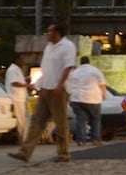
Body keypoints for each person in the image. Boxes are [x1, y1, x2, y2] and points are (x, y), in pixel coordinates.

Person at [8, 23, 77, 164]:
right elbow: (46, 70)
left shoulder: (67, 46)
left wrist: (60, 85)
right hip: (45, 88)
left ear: (57, 32)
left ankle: (64, 152)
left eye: (49, 31)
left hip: (58, 89)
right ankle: (25, 151)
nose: (47, 33)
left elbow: (68, 67)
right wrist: (36, 84)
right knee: (36, 121)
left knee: (60, 122)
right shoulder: (49, 47)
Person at [67, 55, 107, 146]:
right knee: (95, 119)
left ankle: (81, 140)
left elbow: (69, 85)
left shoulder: (75, 72)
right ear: (89, 62)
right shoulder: (95, 70)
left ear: (80, 63)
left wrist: (69, 97)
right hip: (93, 98)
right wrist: (104, 94)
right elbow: (102, 84)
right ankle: (96, 139)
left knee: (81, 120)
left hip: (77, 98)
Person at [5, 53, 29, 142]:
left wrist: (25, 81)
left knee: (25, 119)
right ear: (17, 60)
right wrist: (27, 85)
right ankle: (23, 139)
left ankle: (25, 137)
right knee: (21, 120)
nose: (23, 61)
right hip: (16, 97)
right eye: (22, 59)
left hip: (21, 97)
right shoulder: (12, 69)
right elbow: (14, 83)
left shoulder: (17, 69)